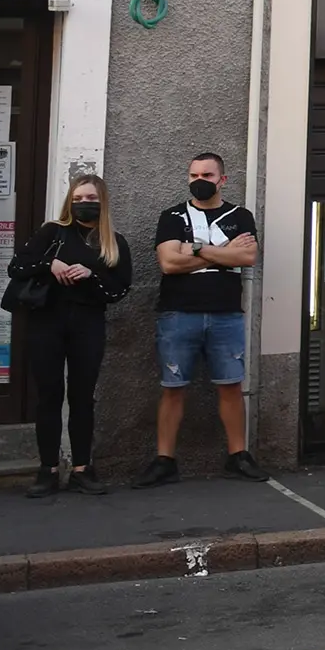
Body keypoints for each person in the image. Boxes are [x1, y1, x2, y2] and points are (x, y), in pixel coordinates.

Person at [133, 152, 267, 486]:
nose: (199, 181)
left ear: (222, 179)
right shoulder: (173, 216)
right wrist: (222, 253)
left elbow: (248, 256)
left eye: (207, 175)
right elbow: (168, 264)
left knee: (231, 386)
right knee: (173, 388)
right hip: (178, 314)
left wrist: (192, 249)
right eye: (193, 175)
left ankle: (237, 456)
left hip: (226, 314)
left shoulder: (240, 216)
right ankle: (165, 461)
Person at [7, 175, 131, 496]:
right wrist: (51, 264)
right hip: (47, 321)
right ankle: (47, 469)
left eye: (90, 197)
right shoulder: (53, 232)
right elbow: (17, 266)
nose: (83, 203)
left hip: (88, 324)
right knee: (48, 395)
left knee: (82, 397)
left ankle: (81, 468)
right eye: (77, 198)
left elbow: (120, 289)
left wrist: (92, 276)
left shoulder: (112, 241)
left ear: (101, 200)